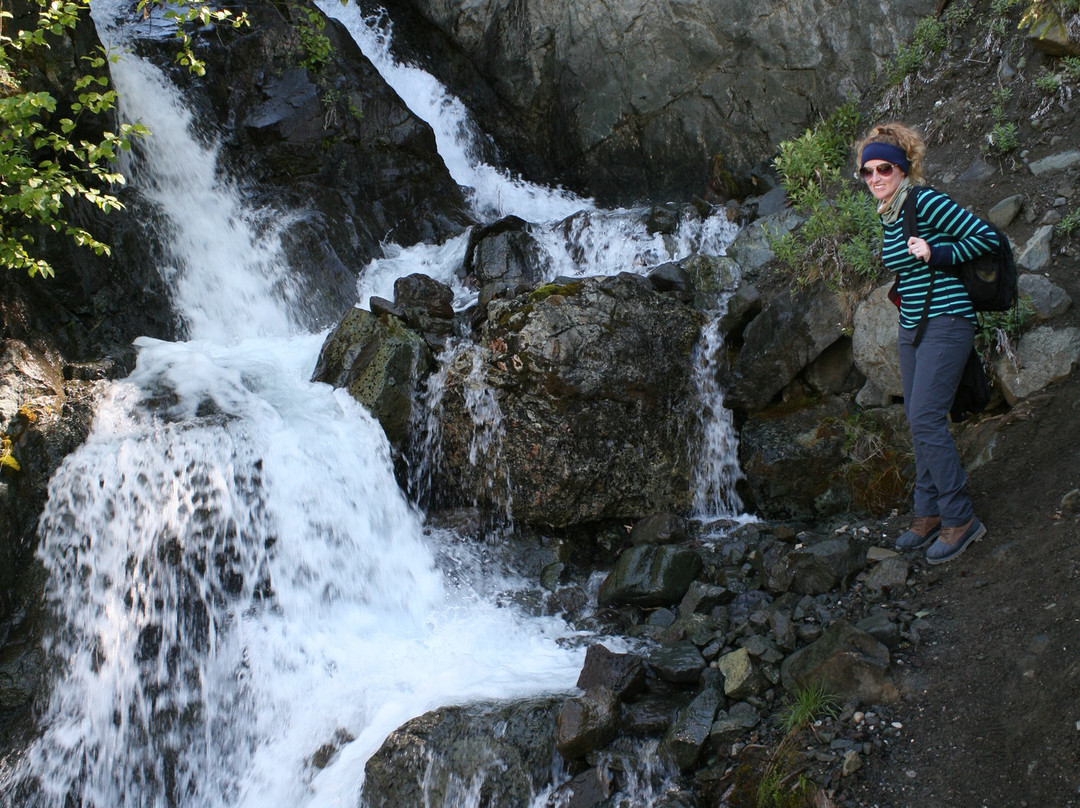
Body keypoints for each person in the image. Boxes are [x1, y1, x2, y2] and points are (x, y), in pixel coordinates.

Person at [854, 122, 998, 564]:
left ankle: (960, 519)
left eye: (884, 168)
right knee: (918, 420)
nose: (875, 177)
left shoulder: (924, 200)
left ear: (902, 169)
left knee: (926, 417)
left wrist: (938, 252)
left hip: (947, 319)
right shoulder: (890, 212)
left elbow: (987, 237)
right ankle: (928, 512)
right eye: (867, 171)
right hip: (912, 326)